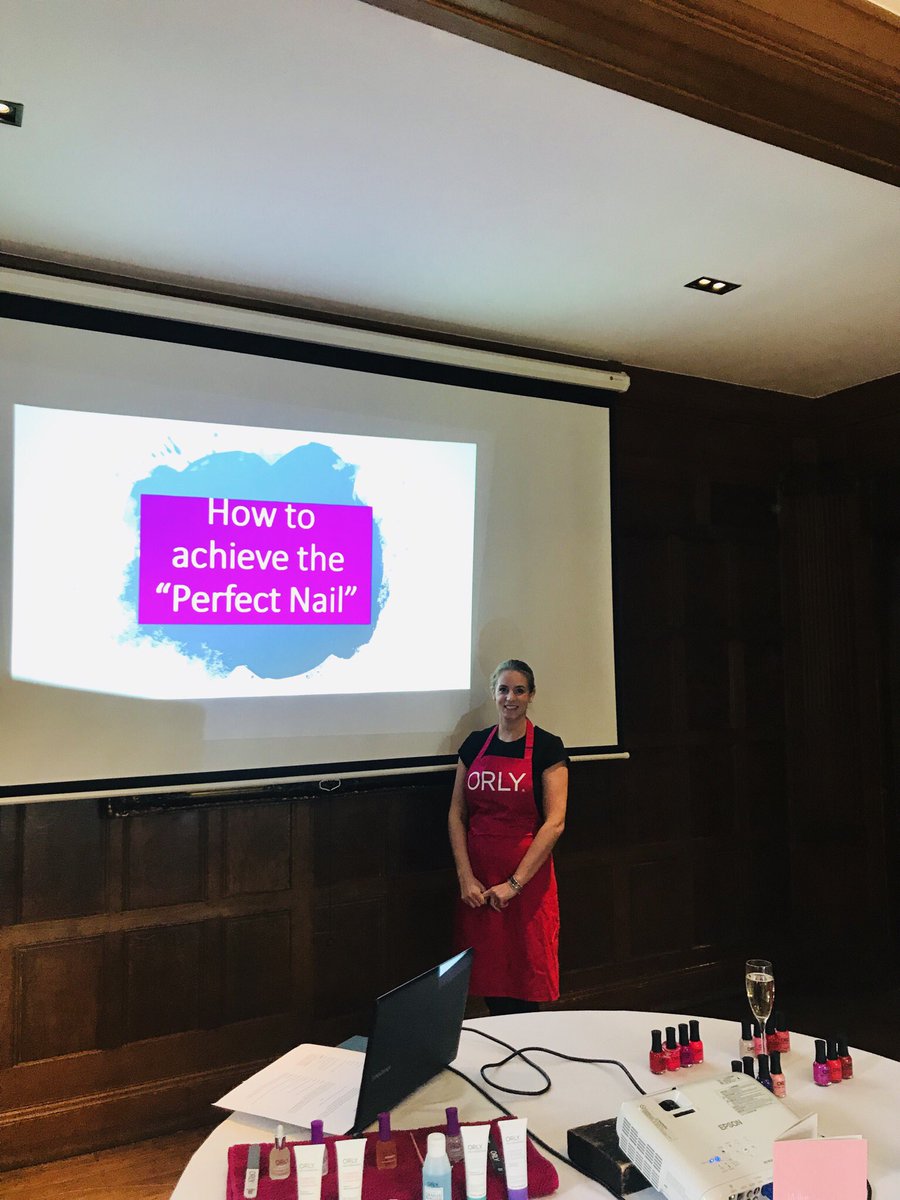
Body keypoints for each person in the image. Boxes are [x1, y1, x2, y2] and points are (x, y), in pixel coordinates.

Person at [448, 659, 568, 1015]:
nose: (510, 698)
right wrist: (465, 877)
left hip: (527, 885)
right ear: (493, 693)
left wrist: (514, 884)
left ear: (531, 695)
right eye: (503, 690)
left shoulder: (548, 747)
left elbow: (555, 822)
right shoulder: (473, 745)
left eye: (519, 690)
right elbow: (456, 814)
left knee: (526, 978)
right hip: (479, 889)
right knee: (489, 980)